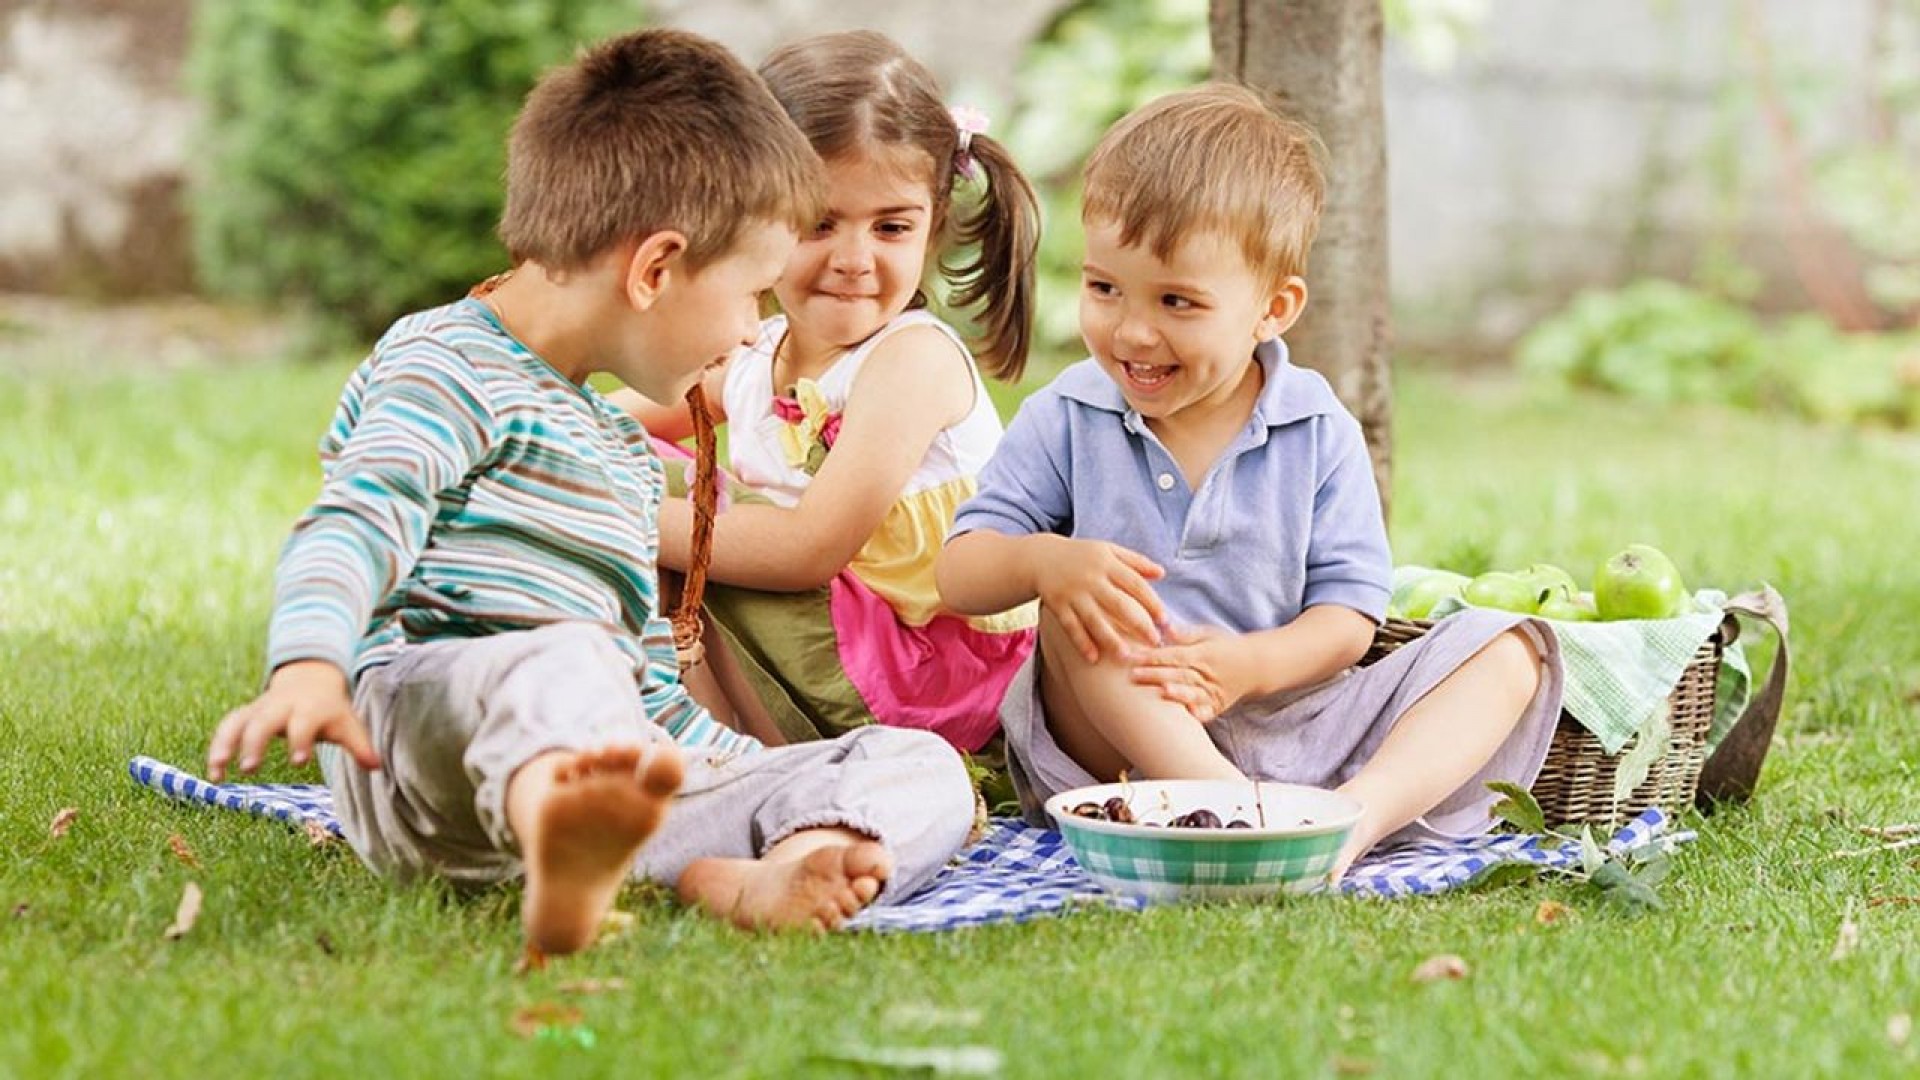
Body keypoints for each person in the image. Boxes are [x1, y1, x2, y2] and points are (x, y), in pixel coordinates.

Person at [205, 28, 976, 954]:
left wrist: (746, 776)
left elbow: (646, 679)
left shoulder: (611, 442)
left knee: (920, 763)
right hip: (427, 752)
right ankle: (563, 830)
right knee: (557, 659)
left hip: (610, 760)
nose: (748, 332)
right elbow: (359, 514)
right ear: (654, 269)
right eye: (749, 295)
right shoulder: (444, 365)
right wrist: (308, 663)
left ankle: (772, 860)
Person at [935, 84, 1566, 877]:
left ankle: (1352, 822)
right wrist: (1043, 564)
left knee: (1512, 649)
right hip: (1124, 737)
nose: (1132, 330)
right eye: (1104, 288)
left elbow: (1349, 617)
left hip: (1297, 724)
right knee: (1082, 612)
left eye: (1177, 301)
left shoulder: (1316, 427)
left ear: (1274, 307)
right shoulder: (1068, 415)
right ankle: (1237, 813)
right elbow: (958, 573)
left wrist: (1247, 668)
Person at [613, 30, 1040, 759]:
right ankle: (680, 737)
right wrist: (530, 450)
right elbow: (619, 419)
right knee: (616, 456)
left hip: (925, 678)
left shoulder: (912, 361)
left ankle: (720, 758)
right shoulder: (756, 350)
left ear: (932, 224)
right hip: (834, 647)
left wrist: (600, 514)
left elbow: (809, 550)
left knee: (655, 518)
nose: (854, 259)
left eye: (891, 227)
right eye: (818, 223)